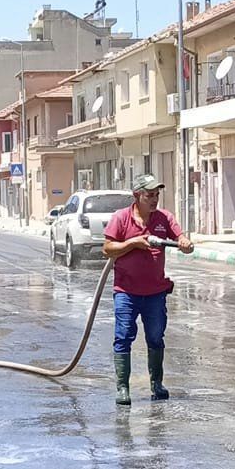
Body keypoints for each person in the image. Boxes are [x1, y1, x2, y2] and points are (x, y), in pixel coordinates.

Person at [101, 174, 194, 406]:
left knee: (155, 337)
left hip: (155, 293)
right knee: (123, 337)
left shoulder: (164, 218)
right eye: (149, 195)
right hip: (126, 292)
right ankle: (123, 388)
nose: (154, 200)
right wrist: (133, 243)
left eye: (156, 195)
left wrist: (185, 243)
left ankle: (157, 384)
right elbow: (107, 249)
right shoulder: (121, 218)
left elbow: (181, 239)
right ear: (137, 195)